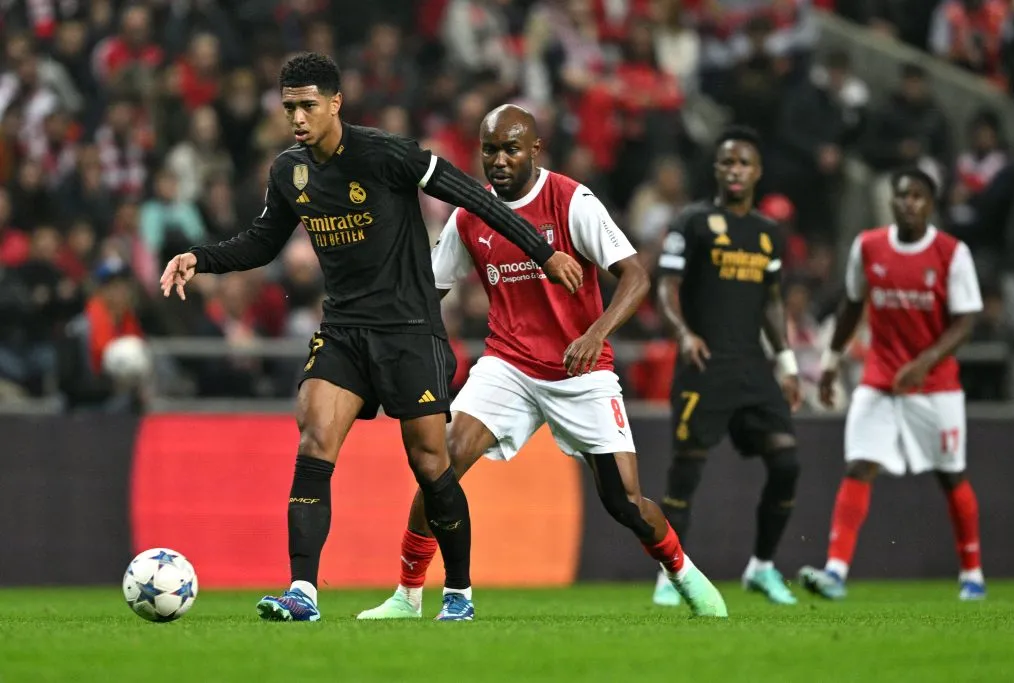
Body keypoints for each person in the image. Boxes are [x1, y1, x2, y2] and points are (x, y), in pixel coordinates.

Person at [159, 53, 584, 622]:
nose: (298, 118)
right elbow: (262, 242)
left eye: (308, 105)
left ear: (336, 102)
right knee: (313, 440)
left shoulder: (387, 154)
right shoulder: (289, 171)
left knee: (432, 465)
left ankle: (457, 591)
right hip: (344, 331)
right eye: (289, 107)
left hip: (409, 330)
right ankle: (303, 593)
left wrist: (544, 250)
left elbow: (475, 198)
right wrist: (198, 257)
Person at [356, 104, 728, 620]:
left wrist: (594, 335)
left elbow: (637, 276)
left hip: (582, 369)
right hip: (507, 364)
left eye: (511, 149)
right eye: (490, 150)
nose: (499, 160)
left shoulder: (571, 200)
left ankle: (682, 572)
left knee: (624, 504)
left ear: (535, 149)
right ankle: (407, 595)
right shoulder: (470, 216)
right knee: (438, 468)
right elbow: (427, 293)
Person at [798, 168, 986, 601]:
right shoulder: (868, 247)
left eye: (918, 197)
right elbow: (852, 306)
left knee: (950, 474)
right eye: (903, 196)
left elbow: (966, 322)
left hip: (935, 385)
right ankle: (836, 571)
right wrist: (830, 362)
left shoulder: (950, 254)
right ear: (893, 201)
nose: (909, 204)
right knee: (859, 465)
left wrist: (925, 362)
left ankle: (972, 572)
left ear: (931, 203)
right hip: (880, 378)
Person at [655, 126, 803, 607]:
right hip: (704, 365)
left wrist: (787, 363)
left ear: (757, 172)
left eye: (743, 163)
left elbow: (773, 302)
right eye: (726, 163)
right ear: (716, 169)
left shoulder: (767, 233)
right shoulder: (693, 222)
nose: (734, 170)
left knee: (786, 461)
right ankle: (670, 573)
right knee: (687, 471)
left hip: (752, 368)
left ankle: (761, 567)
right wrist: (683, 333)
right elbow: (666, 287)